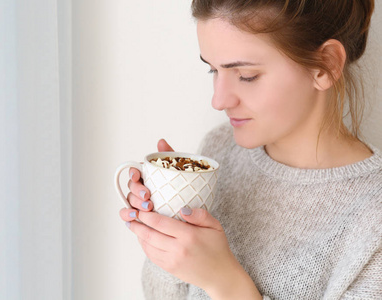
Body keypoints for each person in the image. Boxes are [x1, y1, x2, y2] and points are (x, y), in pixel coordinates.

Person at [119, 0, 382, 299]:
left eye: (246, 75)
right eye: (213, 71)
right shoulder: (219, 150)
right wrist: (165, 226)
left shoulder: (374, 219)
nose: (218, 101)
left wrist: (224, 281)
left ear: (326, 65)